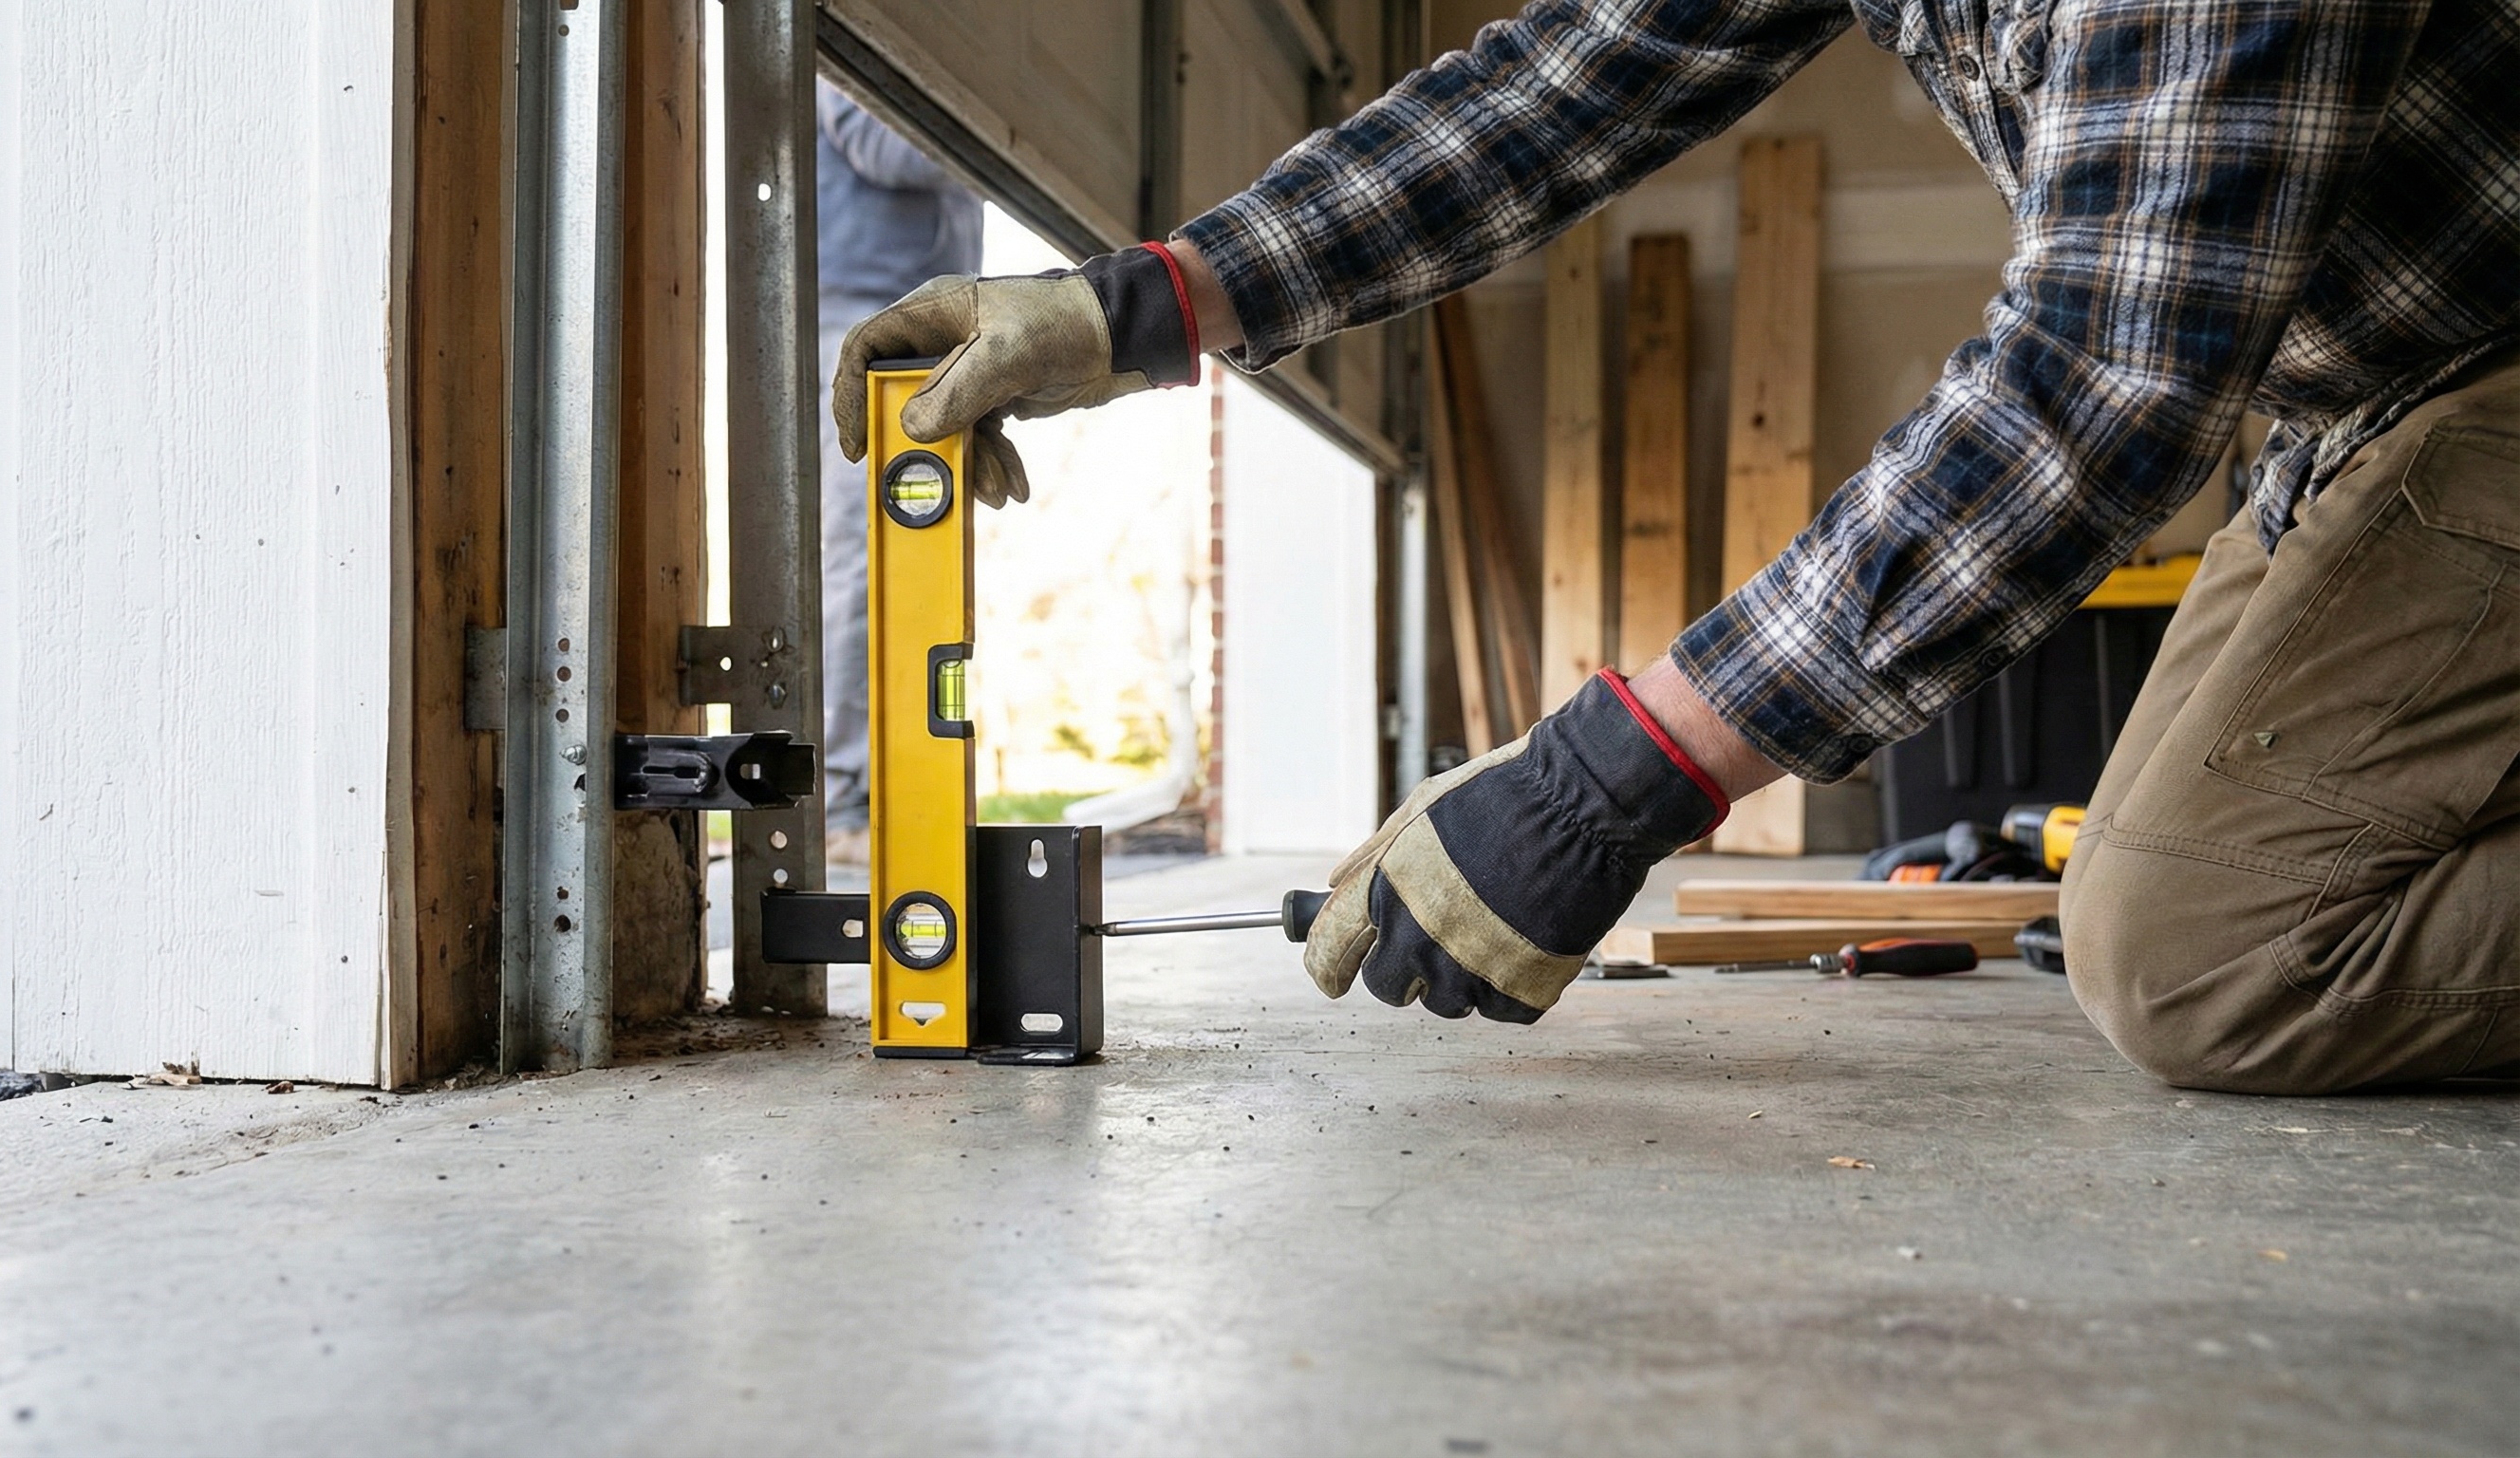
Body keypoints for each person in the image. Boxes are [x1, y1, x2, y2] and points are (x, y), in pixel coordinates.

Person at [833, 0, 2520, 1094]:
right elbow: (1558, 92)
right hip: (2363, 409)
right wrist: (1135, 308)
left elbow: (2098, 388)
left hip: (2483, 375)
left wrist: (1616, 772)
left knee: (2196, 949)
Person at [813, 80, 983, 865]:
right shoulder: (854, 43)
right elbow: (885, 146)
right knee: (863, 564)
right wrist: (1000, 116)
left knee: (922, 556)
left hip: (934, 317)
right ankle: (842, 805)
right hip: (860, 322)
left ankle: (902, 786)